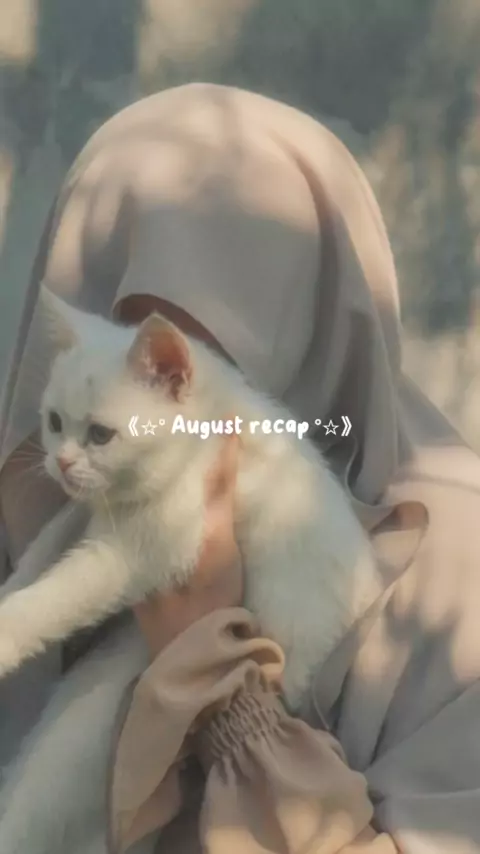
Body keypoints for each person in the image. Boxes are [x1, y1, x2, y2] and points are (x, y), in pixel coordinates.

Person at [0, 83, 479, 854]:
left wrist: (227, 697)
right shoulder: (31, 509)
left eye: (213, 362)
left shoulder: (458, 579)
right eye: (131, 333)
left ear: (323, 317)